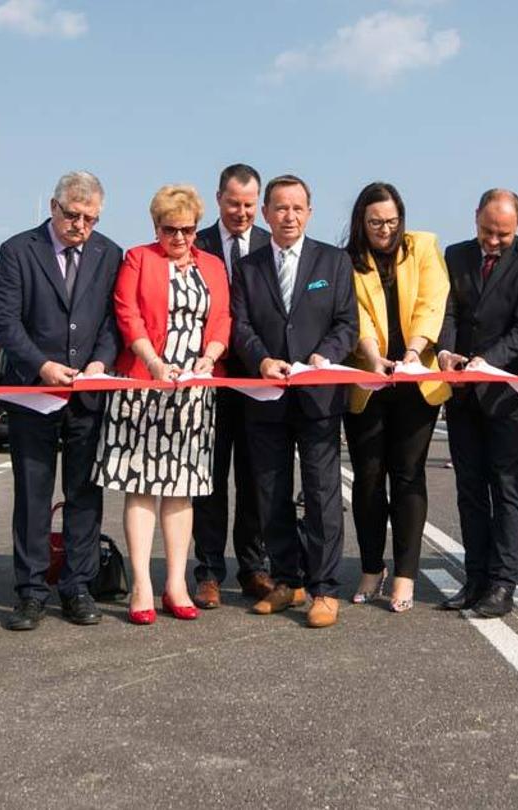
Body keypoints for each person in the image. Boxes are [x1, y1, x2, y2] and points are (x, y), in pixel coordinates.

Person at [0, 170, 123, 629]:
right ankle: (29, 591)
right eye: (72, 215)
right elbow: (6, 322)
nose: (80, 226)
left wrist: (99, 365)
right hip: (34, 391)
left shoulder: (109, 253)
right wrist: (42, 367)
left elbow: (113, 321)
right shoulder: (17, 250)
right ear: (53, 206)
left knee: (85, 494)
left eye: (90, 218)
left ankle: (78, 586)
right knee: (33, 493)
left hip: (87, 394)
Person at [95, 184, 231, 625]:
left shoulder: (211, 265)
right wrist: (153, 363)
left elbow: (222, 318)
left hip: (193, 393)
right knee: (142, 488)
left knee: (180, 490)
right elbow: (127, 313)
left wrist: (210, 357)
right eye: (170, 229)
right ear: (155, 226)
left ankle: (175, 582)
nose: (179, 238)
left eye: (187, 230)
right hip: (141, 386)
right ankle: (141, 584)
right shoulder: (139, 258)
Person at [229, 174, 359, 629]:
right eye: (280, 208)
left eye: (297, 208)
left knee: (323, 494)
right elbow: (240, 325)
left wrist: (327, 356)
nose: (289, 216)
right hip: (266, 398)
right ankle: (287, 580)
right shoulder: (248, 268)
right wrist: (261, 360)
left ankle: (324, 588)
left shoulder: (334, 260)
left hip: (318, 397)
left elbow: (347, 323)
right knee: (271, 493)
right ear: (265, 213)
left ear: (310, 212)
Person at [435, 189, 518, 618]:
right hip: (462, 392)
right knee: (469, 491)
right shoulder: (456, 254)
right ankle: (475, 577)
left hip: (504, 395)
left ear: (517, 226)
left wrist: (489, 361)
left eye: (503, 233)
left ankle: (502, 584)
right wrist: (447, 351)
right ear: (475, 219)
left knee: (506, 490)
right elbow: (448, 314)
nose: (493, 240)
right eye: (487, 231)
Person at [338, 182, 449, 613]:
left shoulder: (423, 247)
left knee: (407, 475)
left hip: (416, 378)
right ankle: (371, 567)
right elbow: (356, 316)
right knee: (367, 479)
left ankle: (405, 573)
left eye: (391, 221)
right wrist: (374, 357)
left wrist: (410, 355)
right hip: (369, 381)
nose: (384, 230)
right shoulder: (348, 260)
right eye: (375, 223)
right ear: (360, 223)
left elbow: (432, 303)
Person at [190, 163, 273, 607]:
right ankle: (208, 571)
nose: (241, 213)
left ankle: (254, 567)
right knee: (210, 478)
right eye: (233, 203)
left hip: (257, 380)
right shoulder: (195, 243)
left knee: (257, 477)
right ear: (218, 199)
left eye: (248, 205)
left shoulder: (269, 243)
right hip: (210, 379)